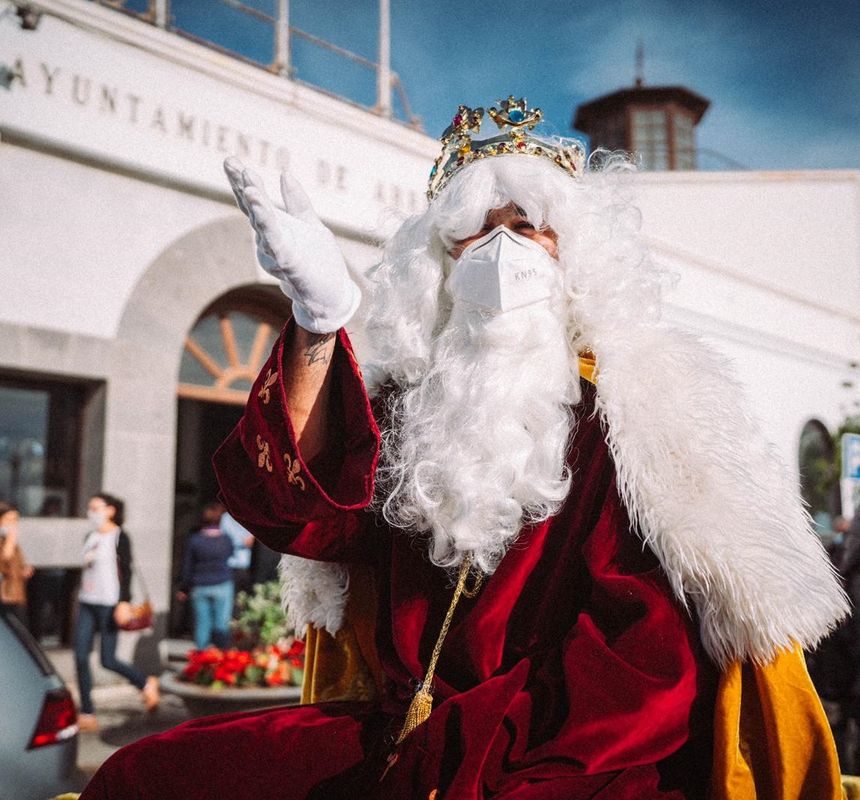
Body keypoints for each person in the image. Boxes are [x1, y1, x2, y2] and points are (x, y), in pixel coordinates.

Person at [82, 98, 847, 799]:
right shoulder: (409, 406)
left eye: (528, 226)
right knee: (142, 776)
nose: (502, 249)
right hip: (400, 729)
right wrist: (318, 323)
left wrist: (475, 749)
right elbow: (303, 511)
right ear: (440, 262)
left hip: (567, 745)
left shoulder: (635, 419)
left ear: (575, 259)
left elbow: (645, 663)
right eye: (477, 229)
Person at [75, 493, 159, 732]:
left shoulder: (119, 536)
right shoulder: (90, 536)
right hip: (87, 602)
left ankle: (145, 685)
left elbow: (127, 571)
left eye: (96, 507)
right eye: (89, 507)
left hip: (109, 603)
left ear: (111, 510)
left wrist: (124, 602)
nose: (91, 512)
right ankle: (87, 711)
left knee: (107, 660)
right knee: (81, 656)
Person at [177, 501, 235, 650]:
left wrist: (183, 587)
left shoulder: (195, 540)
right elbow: (231, 554)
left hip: (200, 585)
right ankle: (222, 661)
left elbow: (187, 566)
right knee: (221, 624)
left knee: (202, 625)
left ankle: (201, 661)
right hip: (222, 583)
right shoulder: (225, 540)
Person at [0, 500, 34, 626]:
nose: (13, 524)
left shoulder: (14, 544)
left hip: (16, 594)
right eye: (9, 520)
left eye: (15, 520)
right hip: (5, 596)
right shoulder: (8, 542)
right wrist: (10, 541)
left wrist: (23, 571)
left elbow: (14, 567)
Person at [220, 509, 254, 595]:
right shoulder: (226, 518)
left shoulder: (252, 515)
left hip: (248, 564)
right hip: (234, 563)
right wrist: (242, 542)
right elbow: (223, 540)